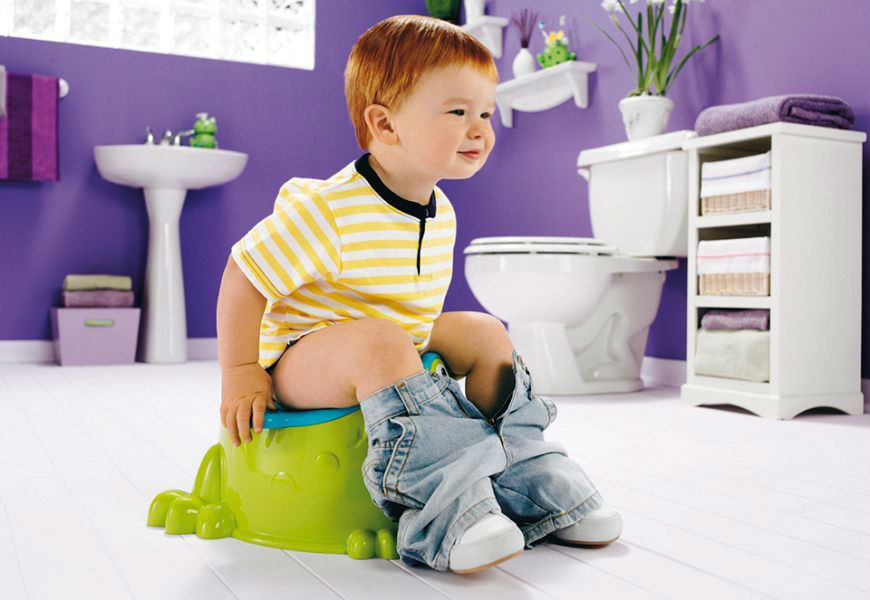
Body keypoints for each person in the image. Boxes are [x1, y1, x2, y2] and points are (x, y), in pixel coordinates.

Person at [216, 14, 622, 574]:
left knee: (485, 331)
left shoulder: (440, 209)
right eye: (457, 112)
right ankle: (446, 506)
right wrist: (241, 370)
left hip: (389, 344)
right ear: (385, 125)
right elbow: (243, 273)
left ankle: (521, 475)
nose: (479, 129)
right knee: (382, 340)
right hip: (300, 359)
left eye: (485, 113)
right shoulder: (328, 210)